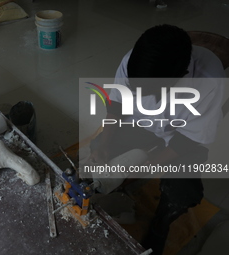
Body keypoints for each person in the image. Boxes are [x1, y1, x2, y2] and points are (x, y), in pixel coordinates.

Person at [89, 24, 226, 254]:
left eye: (150, 93)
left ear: (178, 78)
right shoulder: (133, 61)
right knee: (100, 151)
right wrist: (104, 144)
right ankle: (114, 193)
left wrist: (150, 163)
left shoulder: (210, 81)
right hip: (142, 123)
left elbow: (189, 140)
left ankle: (161, 224)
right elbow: (117, 103)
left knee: (182, 192)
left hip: (183, 133)